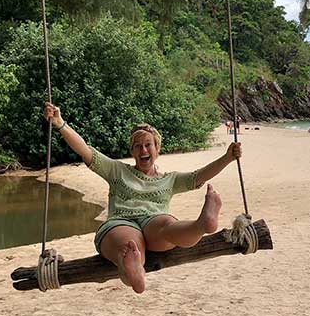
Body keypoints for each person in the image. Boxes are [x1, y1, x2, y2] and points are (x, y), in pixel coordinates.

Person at [44, 102, 242, 294]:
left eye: (148, 145)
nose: (143, 150)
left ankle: (201, 225)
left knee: (166, 226)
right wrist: (60, 122)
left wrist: (228, 157)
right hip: (121, 222)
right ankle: (135, 267)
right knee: (131, 243)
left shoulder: (170, 179)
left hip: (152, 223)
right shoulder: (116, 170)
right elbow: (84, 150)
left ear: (157, 149)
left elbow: (198, 176)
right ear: (132, 151)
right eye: (137, 146)